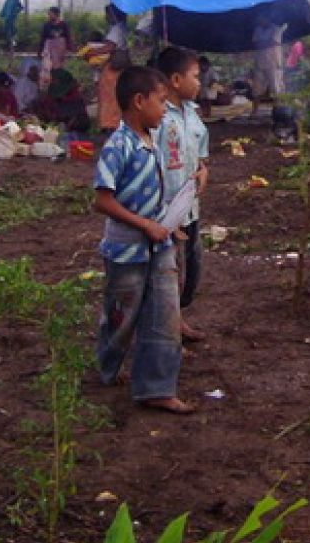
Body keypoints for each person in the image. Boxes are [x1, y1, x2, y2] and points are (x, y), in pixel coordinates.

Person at [93, 65, 192, 414]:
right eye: (161, 101)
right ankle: (107, 365)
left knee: (165, 314)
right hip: (126, 249)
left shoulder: (153, 141)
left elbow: (157, 190)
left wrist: (167, 223)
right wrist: (144, 225)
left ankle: (156, 387)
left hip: (160, 245)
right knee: (122, 317)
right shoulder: (118, 146)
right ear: (139, 101)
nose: (165, 109)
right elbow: (102, 200)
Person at [155, 48, 210, 344]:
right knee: (169, 268)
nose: (200, 83)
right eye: (195, 77)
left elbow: (200, 155)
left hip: (191, 207)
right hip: (167, 209)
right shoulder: (159, 118)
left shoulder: (193, 114)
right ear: (176, 79)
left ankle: (176, 317)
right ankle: (167, 326)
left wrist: (203, 171)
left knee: (192, 266)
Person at [251, 16, 285, 102]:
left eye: (261, 19)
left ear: (267, 18)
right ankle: (255, 111)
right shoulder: (257, 29)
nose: (259, 21)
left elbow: (273, 42)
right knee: (257, 88)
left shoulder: (276, 29)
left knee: (275, 87)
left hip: (273, 62)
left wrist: (262, 43)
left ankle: (278, 109)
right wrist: (265, 42)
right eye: (259, 19)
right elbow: (255, 43)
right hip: (259, 61)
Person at [39, 6, 73, 72]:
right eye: (48, 14)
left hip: (60, 49)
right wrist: (40, 51)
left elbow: (68, 37)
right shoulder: (46, 25)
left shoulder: (63, 25)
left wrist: (69, 49)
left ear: (56, 14)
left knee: (59, 66)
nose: (48, 16)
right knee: (47, 65)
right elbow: (43, 38)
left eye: (50, 14)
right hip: (49, 48)